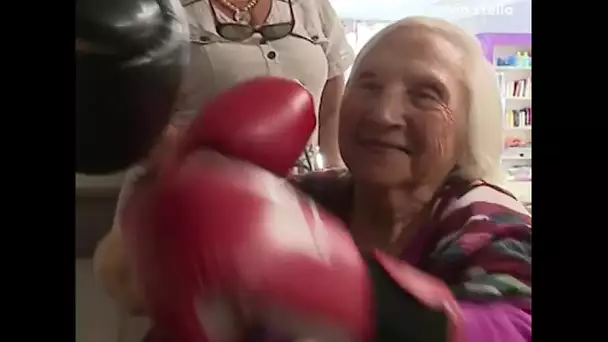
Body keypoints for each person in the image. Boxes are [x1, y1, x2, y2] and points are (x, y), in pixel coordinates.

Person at [96, 16, 532, 341]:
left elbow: (517, 323)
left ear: (469, 124)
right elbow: (131, 285)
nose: (383, 114)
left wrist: (369, 300)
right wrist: (173, 189)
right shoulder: (306, 198)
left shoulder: (484, 218)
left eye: (425, 94)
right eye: (368, 85)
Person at [175, 0, 353, 167]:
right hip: (203, 184)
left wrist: (333, 162)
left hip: (302, 187)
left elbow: (333, 83)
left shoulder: (311, 5)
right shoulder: (167, 9)